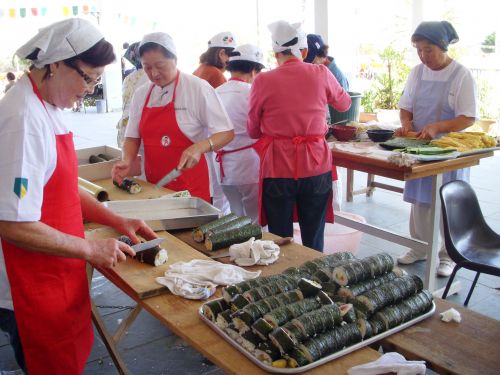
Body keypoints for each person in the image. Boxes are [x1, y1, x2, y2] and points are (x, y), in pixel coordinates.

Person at [0, 18, 157, 374]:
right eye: (86, 78)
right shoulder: (23, 119)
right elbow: (13, 225)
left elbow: (61, 185)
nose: (89, 90)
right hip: (32, 282)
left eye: (97, 81)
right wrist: (90, 247)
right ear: (54, 64)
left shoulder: (49, 106)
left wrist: (116, 219)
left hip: (59, 267)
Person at [247, 20, 351, 251]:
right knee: (314, 235)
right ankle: (314, 281)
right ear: (304, 51)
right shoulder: (321, 72)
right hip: (315, 165)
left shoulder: (262, 80)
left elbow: (252, 129)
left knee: (279, 238)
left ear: (276, 54)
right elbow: (344, 103)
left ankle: (284, 282)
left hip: (278, 167)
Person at [395, 21, 477, 277]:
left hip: (446, 151)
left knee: (445, 204)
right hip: (420, 149)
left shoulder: (460, 75)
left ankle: (447, 256)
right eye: (418, 50)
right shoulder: (417, 73)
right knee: (420, 203)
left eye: (428, 50)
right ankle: (419, 246)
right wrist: (406, 123)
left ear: (443, 47)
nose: (423, 56)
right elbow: (406, 106)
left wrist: (437, 127)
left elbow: (468, 117)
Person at [112, 32, 234, 202]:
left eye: (160, 65)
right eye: (147, 67)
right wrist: (127, 160)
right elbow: (132, 137)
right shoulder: (141, 94)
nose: (154, 73)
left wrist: (201, 147)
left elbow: (226, 132)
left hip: (192, 189)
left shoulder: (197, 88)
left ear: (175, 59)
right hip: (155, 187)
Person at [214, 44, 265, 223]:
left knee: (235, 217)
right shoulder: (252, 92)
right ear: (253, 70)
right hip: (248, 164)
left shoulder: (215, 93)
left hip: (221, 166)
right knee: (255, 219)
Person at [193, 31, 237, 213]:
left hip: (198, 137)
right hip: (210, 139)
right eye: (231, 55)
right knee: (220, 197)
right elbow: (223, 113)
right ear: (221, 53)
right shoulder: (216, 74)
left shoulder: (200, 69)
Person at [117, 42, 149, 147]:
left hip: (126, 123)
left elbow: (125, 102)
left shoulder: (128, 78)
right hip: (142, 123)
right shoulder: (152, 76)